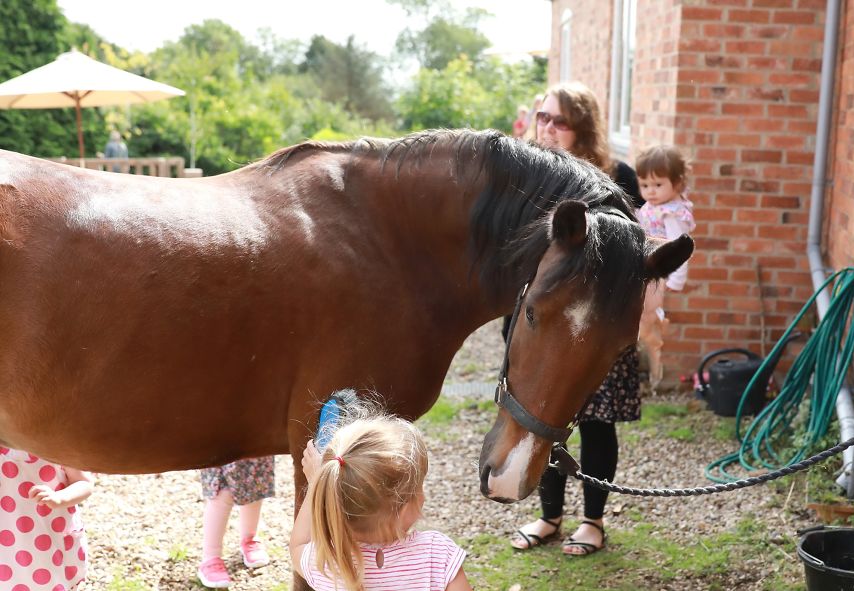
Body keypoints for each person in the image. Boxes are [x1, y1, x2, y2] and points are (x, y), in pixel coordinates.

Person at [508, 81, 642, 557]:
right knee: (541, 418)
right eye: (542, 117)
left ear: (581, 127)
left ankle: (592, 521)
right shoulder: (525, 176)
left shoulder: (617, 176)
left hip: (593, 327)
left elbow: (632, 253)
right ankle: (548, 516)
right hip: (542, 327)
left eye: (559, 120)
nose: (547, 127)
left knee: (597, 426)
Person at [291, 410, 472, 590]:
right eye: (419, 487)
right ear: (403, 509)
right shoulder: (437, 554)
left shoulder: (325, 560)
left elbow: (298, 544)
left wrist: (316, 483)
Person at [635, 144, 696, 389]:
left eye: (658, 185)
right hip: (650, 268)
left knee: (648, 312)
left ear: (677, 183)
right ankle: (649, 334)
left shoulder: (671, 214)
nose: (651, 191)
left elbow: (682, 249)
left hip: (662, 272)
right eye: (645, 185)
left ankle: (653, 344)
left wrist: (675, 281)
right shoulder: (654, 208)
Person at [0, 447, 94, 589]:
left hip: (50, 541)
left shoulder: (57, 439)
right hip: (6, 543)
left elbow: (84, 483)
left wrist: (59, 497)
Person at [197, 457, 275, 588]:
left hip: (253, 443)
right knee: (222, 494)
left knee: (255, 486)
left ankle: (249, 538)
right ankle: (211, 557)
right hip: (221, 444)